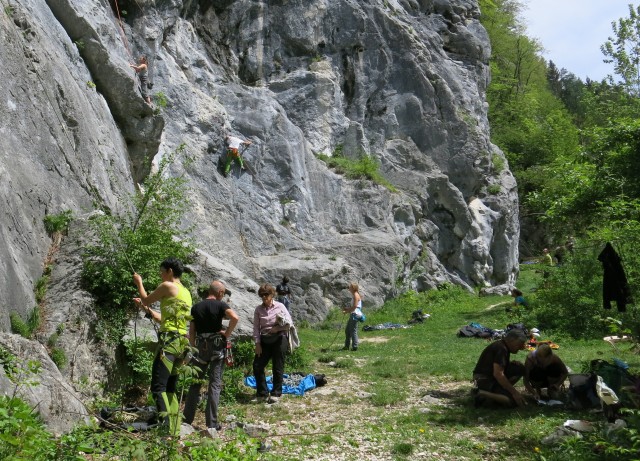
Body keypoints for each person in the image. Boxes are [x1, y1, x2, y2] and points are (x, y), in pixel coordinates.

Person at [133, 258, 192, 434]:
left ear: (170, 271)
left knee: (158, 387)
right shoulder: (186, 292)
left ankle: (165, 429)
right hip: (181, 344)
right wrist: (146, 310)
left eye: (162, 271)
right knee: (170, 387)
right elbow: (163, 319)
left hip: (169, 343)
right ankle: (174, 429)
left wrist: (139, 282)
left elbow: (146, 298)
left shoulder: (168, 286)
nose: (160, 274)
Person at [183, 281, 239, 435]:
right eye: (223, 293)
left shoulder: (196, 307)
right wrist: (227, 334)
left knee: (195, 383)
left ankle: (187, 420)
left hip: (200, 348)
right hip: (216, 347)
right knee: (214, 385)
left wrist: (193, 347)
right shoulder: (220, 306)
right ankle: (211, 424)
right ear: (220, 292)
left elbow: (192, 330)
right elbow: (235, 318)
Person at [252, 284, 293, 404]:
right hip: (265, 340)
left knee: (278, 366)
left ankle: (276, 393)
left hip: (279, 339)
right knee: (257, 365)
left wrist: (277, 329)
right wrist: (257, 343)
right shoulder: (258, 309)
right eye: (262, 295)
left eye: (267, 295)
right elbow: (256, 328)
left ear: (272, 295)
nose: (264, 297)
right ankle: (262, 393)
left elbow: (289, 323)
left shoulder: (280, 306)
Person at [472, 329, 528, 407]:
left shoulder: (503, 346)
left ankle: (500, 391)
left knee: (519, 368)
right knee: (513, 401)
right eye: (519, 344)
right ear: (511, 340)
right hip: (485, 380)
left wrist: (509, 364)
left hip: (488, 377)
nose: (521, 347)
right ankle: (482, 393)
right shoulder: (501, 348)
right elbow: (498, 374)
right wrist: (514, 393)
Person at [342, 282, 363, 351]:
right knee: (348, 330)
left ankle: (355, 346)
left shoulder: (356, 295)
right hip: (354, 314)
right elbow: (354, 307)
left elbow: (355, 307)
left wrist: (346, 311)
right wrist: (347, 309)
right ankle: (347, 346)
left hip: (355, 314)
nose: (349, 288)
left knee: (353, 330)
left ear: (353, 288)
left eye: (350, 287)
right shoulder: (355, 295)